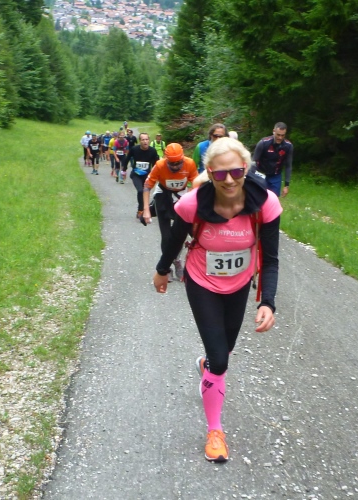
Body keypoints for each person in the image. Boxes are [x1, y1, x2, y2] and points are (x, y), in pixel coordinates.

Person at [151, 137, 282, 463]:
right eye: (220, 174)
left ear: (246, 169)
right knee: (221, 360)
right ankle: (215, 431)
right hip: (202, 281)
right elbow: (174, 241)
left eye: (236, 172)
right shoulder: (193, 204)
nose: (230, 180)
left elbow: (270, 259)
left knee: (224, 349)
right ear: (209, 173)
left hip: (240, 283)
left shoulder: (265, 203)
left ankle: (207, 365)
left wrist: (268, 302)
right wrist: (162, 270)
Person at [142, 143, 198, 279]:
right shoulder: (159, 165)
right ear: (166, 160)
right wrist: (146, 210)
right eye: (171, 164)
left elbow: (196, 184)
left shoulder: (190, 163)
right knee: (166, 236)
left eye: (178, 163)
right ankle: (168, 266)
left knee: (182, 233)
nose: (175, 167)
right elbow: (147, 186)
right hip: (163, 195)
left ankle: (177, 260)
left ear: (183, 158)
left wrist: (191, 199)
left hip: (181, 196)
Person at [252, 122, 293, 198]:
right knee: (260, 198)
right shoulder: (263, 143)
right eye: (278, 135)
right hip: (261, 174)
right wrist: (252, 178)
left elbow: (288, 166)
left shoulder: (288, 146)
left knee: (274, 199)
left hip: (276, 176)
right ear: (274, 131)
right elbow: (254, 161)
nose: (280, 138)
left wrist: (286, 185)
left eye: (282, 135)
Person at [127, 132, 159, 219]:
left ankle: (145, 209)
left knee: (145, 192)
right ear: (140, 141)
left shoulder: (153, 151)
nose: (145, 141)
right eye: (143, 140)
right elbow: (127, 158)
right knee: (140, 191)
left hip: (147, 175)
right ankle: (140, 210)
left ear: (149, 140)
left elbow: (156, 164)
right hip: (136, 175)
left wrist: (157, 175)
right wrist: (123, 169)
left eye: (146, 139)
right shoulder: (134, 149)